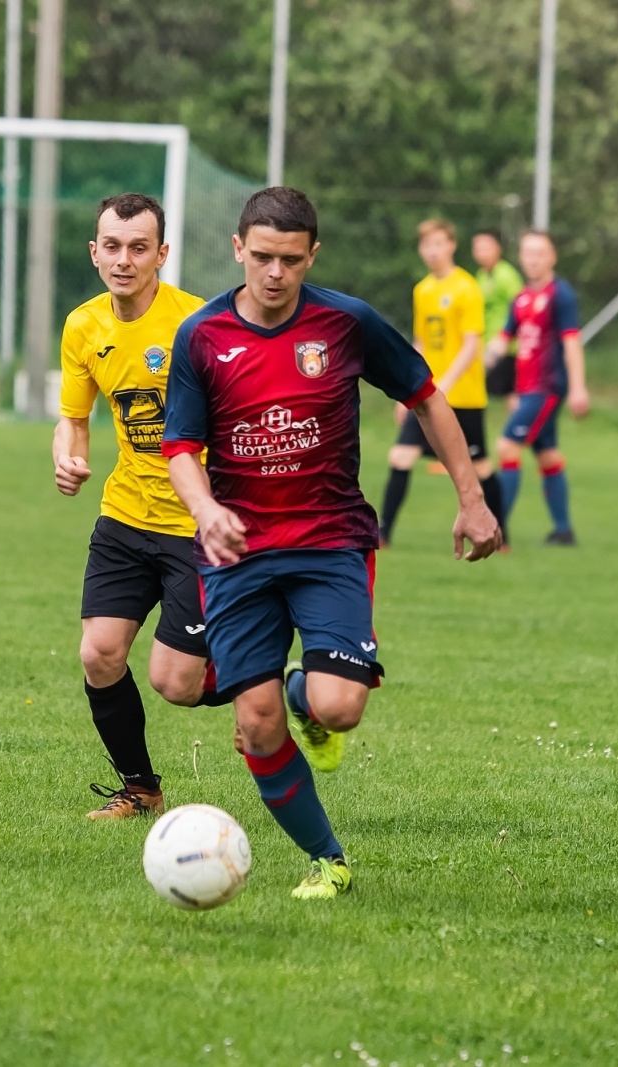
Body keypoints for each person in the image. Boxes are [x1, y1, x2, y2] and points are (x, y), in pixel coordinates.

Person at [163, 187, 501, 900]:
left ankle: (302, 690)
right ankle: (329, 860)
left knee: (339, 707)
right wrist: (205, 508)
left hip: (330, 541)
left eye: (290, 259)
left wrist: (472, 499)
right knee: (255, 724)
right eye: (261, 257)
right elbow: (181, 447)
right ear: (237, 250)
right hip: (238, 551)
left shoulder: (346, 323)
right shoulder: (202, 335)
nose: (275, 273)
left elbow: (427, 395)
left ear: (312, 254)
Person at [54, 192, 221, 820]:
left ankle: (266, 677)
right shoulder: (82, 325)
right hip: (124, 515)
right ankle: (140, 788)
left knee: (175, 684)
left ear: (162, 254)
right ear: (95, 252)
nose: (124, 260)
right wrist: (67, 455)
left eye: (139, 248)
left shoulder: (198, 324)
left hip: (194, 523)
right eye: (113, 247)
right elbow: (73, 419)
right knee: (99, 654)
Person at [378, 219, 504, 547]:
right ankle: (383, 534)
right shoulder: (423, 290)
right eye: (426, 245)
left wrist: (444, 382)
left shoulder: (466, 287)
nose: (431, 251)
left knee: (480, 466)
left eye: (438, 243)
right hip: (428, 395)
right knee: (400, 456)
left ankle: (501, 535)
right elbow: (420, 342)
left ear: (451, 245)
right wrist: (403, 388)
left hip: (463, 395)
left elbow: (471, 344)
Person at [484, 229, 590, 545]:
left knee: (506, 447)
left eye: (539, 253)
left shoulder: (561, 295)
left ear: (552, 257)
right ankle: (563, 530)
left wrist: (579, 387)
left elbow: (572, 343)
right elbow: (503, 342)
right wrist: (473, 367)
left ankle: (496, 530)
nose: (533, 259)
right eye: (528, 253)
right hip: (527, 389)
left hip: (547, 388)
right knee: (548, 456)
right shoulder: (521, 298)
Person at [474, 228, 523, 403]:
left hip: (506, 346)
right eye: (478, 248)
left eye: (486, 247)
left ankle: (520, 429)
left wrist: (510, 338)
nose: (481, 253)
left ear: (498, 248)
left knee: (512, 392)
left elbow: (521, 307)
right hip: (486, 343)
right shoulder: (481, 276)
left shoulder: (506, 275)